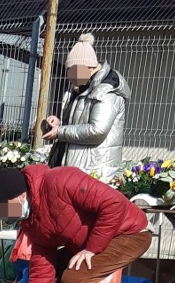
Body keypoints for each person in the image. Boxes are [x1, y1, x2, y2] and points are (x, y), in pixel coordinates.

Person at [0, 165, 151, 283]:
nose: (7, 216)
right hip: (93, 240)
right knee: (56, 278)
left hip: (129, 232)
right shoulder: (30, 220)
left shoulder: (60, 181)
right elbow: (42, 260)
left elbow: (114, 204)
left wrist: (91, 249)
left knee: (74, 282)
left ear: (21, 196)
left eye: (6, 209)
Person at [43, 33, 130, 181]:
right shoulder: (79, 88)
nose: (71, 76)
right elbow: (77, 124)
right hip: (76, 169)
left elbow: (97, 130)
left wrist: (60, 131)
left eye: (74, 70)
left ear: (89, 66)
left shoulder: (107, 91)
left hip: (95, 171)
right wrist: (58, 124)